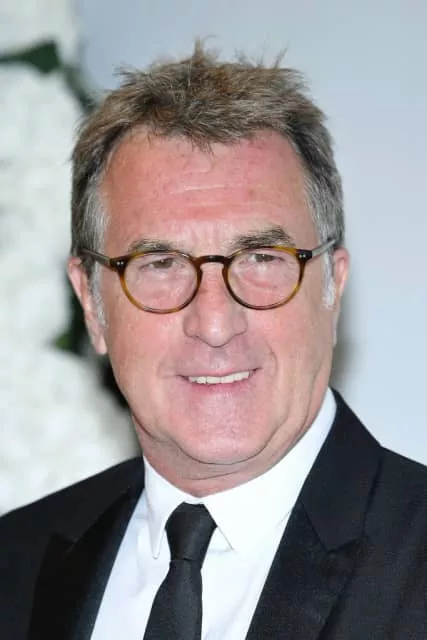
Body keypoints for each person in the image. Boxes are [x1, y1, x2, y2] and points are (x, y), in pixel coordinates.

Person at [1, 43, 426, 640]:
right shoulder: (14, 564)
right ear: (92, 305)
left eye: (261, 257)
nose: (216, 323)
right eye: (161, 264)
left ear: (333, 286)